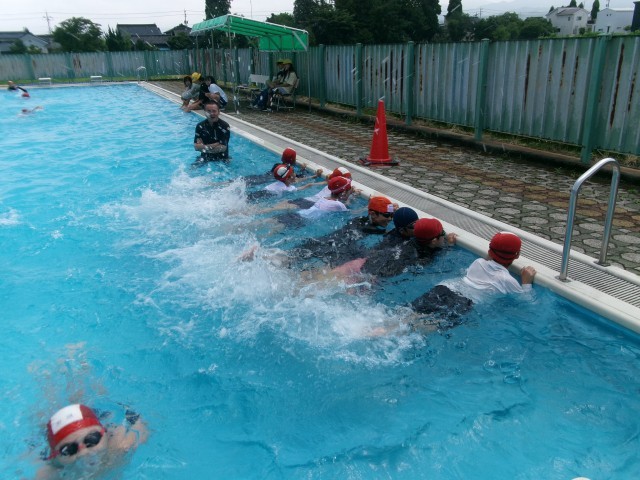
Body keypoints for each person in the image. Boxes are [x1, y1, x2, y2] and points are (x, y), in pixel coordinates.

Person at [36, 403, 148, 479]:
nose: (83, 452)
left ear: (105, 433)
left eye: (92, 439)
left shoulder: (120, 446)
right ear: (55, 456)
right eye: (69, 450)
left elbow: (140, 423)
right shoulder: (50, 474)